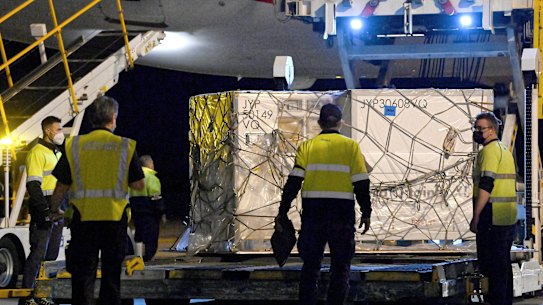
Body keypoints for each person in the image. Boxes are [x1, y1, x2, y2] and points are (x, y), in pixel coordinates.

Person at [50, 96, 144, 305]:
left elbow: (61, 186)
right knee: (111, 278)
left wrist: (54, 209)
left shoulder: (74, 145)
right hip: (114, 220)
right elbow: (139, 185)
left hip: (84, 221)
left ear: (92, 119)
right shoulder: (125, 146)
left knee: (83, 277)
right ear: (113, 117)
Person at [276, 103, 372, 305]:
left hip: (314, 215)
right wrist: (366, 212)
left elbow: (293, 183)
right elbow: (361, 183)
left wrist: (282, 211)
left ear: (319, 123)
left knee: (310, 267)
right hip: (341, 215)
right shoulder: (351, 147)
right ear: (341, 122)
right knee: (341, 266)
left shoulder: (307, 147)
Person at [469, 112, 517, 305]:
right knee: (503, 266)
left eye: (480, 129)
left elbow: (486, 184)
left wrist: (476, 216)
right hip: (506, 218)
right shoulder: (504, 149)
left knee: (491, 267)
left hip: (492, 216)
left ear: (491, 130)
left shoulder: (488, 152)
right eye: (476, 128)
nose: (477, 132)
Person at [20, 116, 66, 305]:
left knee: (51, 256)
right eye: (58, 130)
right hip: (44, 209)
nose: (60, 133)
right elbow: (33, 185)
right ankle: (27, 297)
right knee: (38, 253)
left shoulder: (57, 153)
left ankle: (43, 295)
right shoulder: (37, 152)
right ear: (47, 131)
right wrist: (45, 210)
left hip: (57, 208)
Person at [129, 154, 164, 261]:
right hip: (149, 213)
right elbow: (155, 198)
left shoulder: (134, 178)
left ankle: (138, 256)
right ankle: (148, 259)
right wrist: (160, 213)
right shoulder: (152, 178)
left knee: (138, 235)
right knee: (151, 238)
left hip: (135, 211)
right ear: (149, 164)